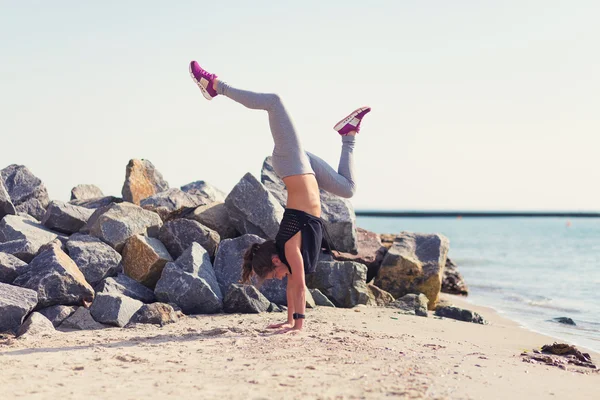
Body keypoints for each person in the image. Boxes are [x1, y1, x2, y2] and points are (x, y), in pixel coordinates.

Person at [189, 61, 371, 333]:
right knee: (348, 189)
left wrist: (298, 325)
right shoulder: (288, 249)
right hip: (303, 167)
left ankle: (215, 86)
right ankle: (348, 134)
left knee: (274, 102)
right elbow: (293, 285)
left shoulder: (288, 248)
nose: (279, 278)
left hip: (291, 163)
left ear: (275, 261)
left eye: (275, 274)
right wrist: (289, 321)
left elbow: (298, 284)